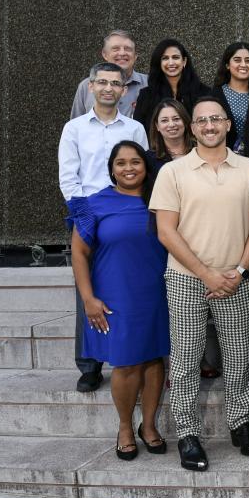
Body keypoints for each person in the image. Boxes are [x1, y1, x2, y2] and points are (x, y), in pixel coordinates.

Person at [149, 97, 249, 471]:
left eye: (216, 119)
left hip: (235, 278)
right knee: (184, 361)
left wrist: (240, 271)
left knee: (239, 357)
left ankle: (240, 423)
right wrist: (205, 273)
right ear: (192, 127)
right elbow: (166, 232)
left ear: (228, 125)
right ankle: (187, 432)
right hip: (186, 279)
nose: (209, 125)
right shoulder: (173, 172)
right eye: (202, 121)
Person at [68, 142, 170, 460]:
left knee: (154, 360)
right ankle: (126, 427)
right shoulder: (93, 204)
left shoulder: (162, 200)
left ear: (146, 166)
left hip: (157, 291)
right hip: (116, 295)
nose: (129, 168)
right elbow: (79, 254)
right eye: (122, 162)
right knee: (126, 363)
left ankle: (149, 426)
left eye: (136, 161)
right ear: (111, 168)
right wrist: (88, 299)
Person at [59, 62, 150, 392]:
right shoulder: (75, 129)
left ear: (124, 90)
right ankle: (90, 364)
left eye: (116, 83)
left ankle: (138, 351)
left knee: (127, 283)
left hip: (128, 211)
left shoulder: (135, 128)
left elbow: (143, 168)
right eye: (103, 82)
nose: (109, 88)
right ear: (91, 87)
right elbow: (69, 177)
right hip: (90, 213)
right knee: (88, 284)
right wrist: (85, 218)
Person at [131, 38, 210, 130]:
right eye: (165, 58)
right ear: (159, 63)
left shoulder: (204, 93)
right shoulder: (147, 95)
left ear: (184, 61)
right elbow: (140, 130)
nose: (171, 63)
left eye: (175, 57)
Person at [70, 29, 147, 119]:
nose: (122, 53)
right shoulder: (86, 86)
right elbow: (76, 124)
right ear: (105, 54)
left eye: (127, 49)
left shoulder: (150, 84)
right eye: (115, 49)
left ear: (135, 55)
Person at [214, 41, 249, 150]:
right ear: (227, 65)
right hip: (224, 158)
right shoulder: (215, 95)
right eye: (237, 60)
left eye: (248, 61)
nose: (243, 64)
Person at [147, 99, 195, 169]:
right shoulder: (148, 158)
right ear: (157, 126)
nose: (171, 124)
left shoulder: (200, 151)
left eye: (176, 119)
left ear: (185, 121)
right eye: (164, 120)